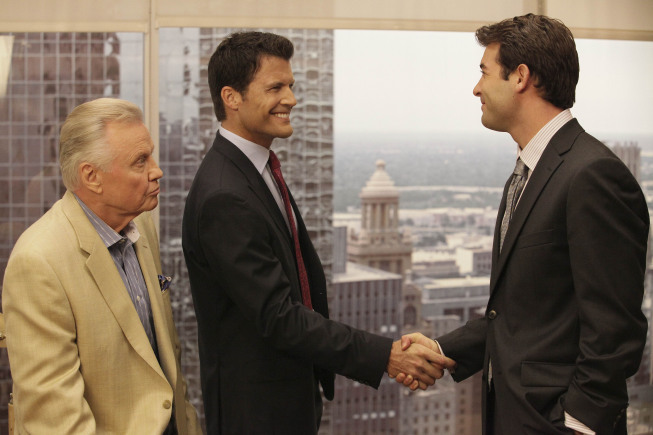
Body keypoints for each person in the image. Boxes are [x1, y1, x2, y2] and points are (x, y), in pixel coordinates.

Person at [182, 31, 454, 434]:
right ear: (231, 98)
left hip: (284, 404)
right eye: (275, 87)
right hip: (256, 416)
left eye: (291, 86)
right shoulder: (226, 194)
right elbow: (280, 318)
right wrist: (387, 356)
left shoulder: (255, 172)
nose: (291, 99)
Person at [397, 13, 649, 435]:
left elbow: (614, 329)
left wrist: (578, 424)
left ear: (520, 77)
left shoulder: (592, 175)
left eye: (483, 72)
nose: (476, 88)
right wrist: (441, 349)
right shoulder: (527, 174)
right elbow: (518, 314)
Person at [3, 98, 202, 434]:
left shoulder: (142, 226)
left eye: (150, 155)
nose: (157, 170)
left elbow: (163, 361)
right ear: (91, 176)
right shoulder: (38, 262)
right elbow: (56, 421)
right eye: (140, 161)